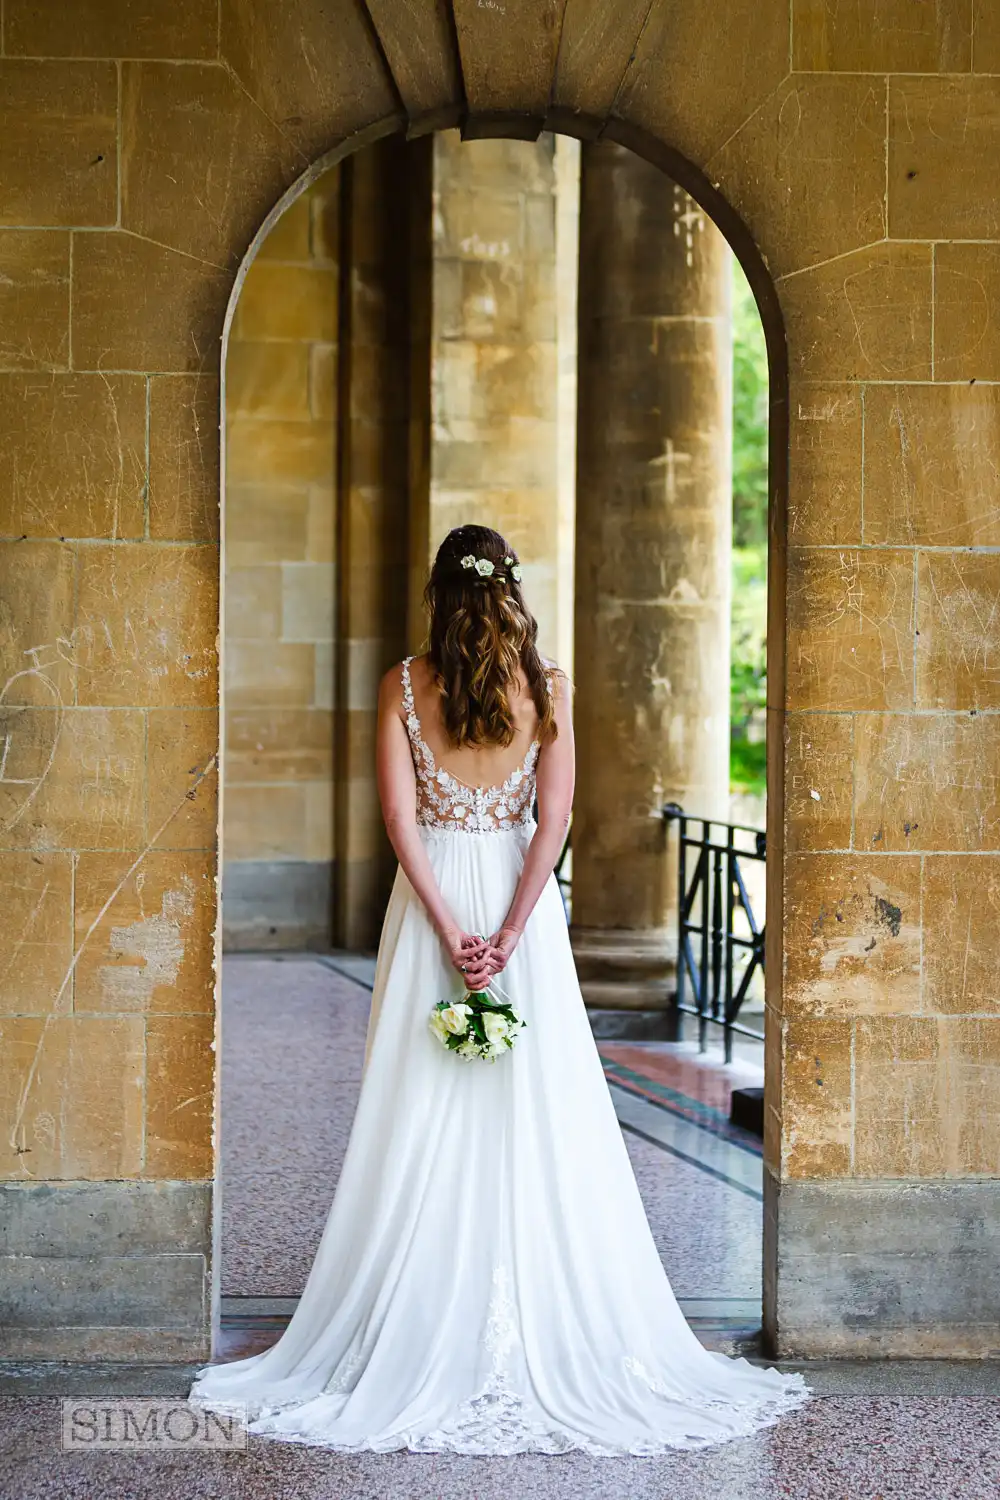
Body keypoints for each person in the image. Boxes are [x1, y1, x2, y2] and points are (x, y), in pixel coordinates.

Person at [189, 523, 808, 1453]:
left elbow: (401, 824)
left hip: (433, 901)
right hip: (523, 913)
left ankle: (406, 1309)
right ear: (511, 587)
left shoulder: (403, 686)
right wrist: (513, 934)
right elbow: (552, 820)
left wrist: (451, 933)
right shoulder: (548, 686)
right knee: (539, 1105)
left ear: (438, 593)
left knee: (417, 1100)